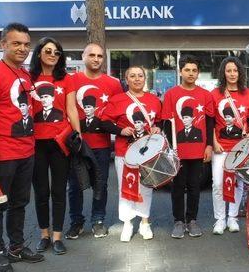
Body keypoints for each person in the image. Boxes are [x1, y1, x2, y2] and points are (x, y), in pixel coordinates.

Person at [0, 22, 44, 272]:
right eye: (16, 43)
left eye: (26, 44)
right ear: (3, 44)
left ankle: (16, 246)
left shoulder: (24, 75)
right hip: (3, 154)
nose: (22, 48)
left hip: (26, 151)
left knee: (19, 203)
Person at [66, 43, 123, 240]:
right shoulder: (71, 80)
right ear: (83, 57)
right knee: (74, 185)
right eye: (92, 55)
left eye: (100, 56)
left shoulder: (114, 84)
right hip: (78, 145)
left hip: (102, 145)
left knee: (101, 184)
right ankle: (76, 222)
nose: (96, 59)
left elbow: (119, 112)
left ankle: (98, 220)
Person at [29, 37, 80, 255]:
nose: (52, 55)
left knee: (59, 190)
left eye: (57, 52)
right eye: (48, 51)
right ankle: (44, 235)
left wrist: (77, 136)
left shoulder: (66, 79)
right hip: (35, 144)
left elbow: (71, 109)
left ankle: (57, 236)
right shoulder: (28, 78)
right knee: (41, 191)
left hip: (60, 142)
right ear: (39, 52)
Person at [100, 66, 162, 242]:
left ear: (145, 78)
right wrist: (121, 130)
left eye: (140, 76)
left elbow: (159, 121)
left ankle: (144, 223)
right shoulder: (118, 99)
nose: (137, 79)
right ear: (126, 80)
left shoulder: (154, 100)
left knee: (146, 187)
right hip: (125, 151)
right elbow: (104, 122)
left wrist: (158, 127)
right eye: (132, 76)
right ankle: (127, 224)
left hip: (148, 153)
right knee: (126, 187)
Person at [162, 55, 215, 239]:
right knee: (177, 187)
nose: (190, 73)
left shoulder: (205, 95)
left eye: (194, 70)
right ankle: (178, 221)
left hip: (198, 151)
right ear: (180, 71)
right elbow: (167, 124)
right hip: (178, 152)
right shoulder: (171, 94)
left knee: (194, 186)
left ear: (198, 73)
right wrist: (169, 149)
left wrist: (208, 145)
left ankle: (192, 220)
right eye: (187, 70)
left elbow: (209, 123)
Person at [210, 57, 249, 234]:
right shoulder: (215, 94)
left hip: (240, 148)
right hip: (220, 147)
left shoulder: (248, 93)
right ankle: (220, 219)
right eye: (228, 71)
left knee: (238, 184)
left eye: (235, 70)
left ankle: (233, 218)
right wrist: (214, 143)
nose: (232, 74)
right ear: (223, 73)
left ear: (240, 72)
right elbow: (211, 122)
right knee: (218, 183)